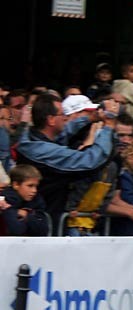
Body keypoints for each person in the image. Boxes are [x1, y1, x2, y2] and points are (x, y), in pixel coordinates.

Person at [15, 93, 119, 222]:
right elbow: (90, 161)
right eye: (62, 114)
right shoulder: (40, 151)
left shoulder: (34, 137)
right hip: (42, 222)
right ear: (51, 120)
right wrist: (108, 125)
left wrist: (91, 117)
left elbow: (66, 131)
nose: (66, 118)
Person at [1, 165, 49, 236]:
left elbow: (43, 231)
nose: (34, 190)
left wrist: (26, 215)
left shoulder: (37, 201)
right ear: (16, 185)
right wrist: (9, 210)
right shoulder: (5, 200)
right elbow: (16, 230)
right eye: (30, 186)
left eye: (36, 186)